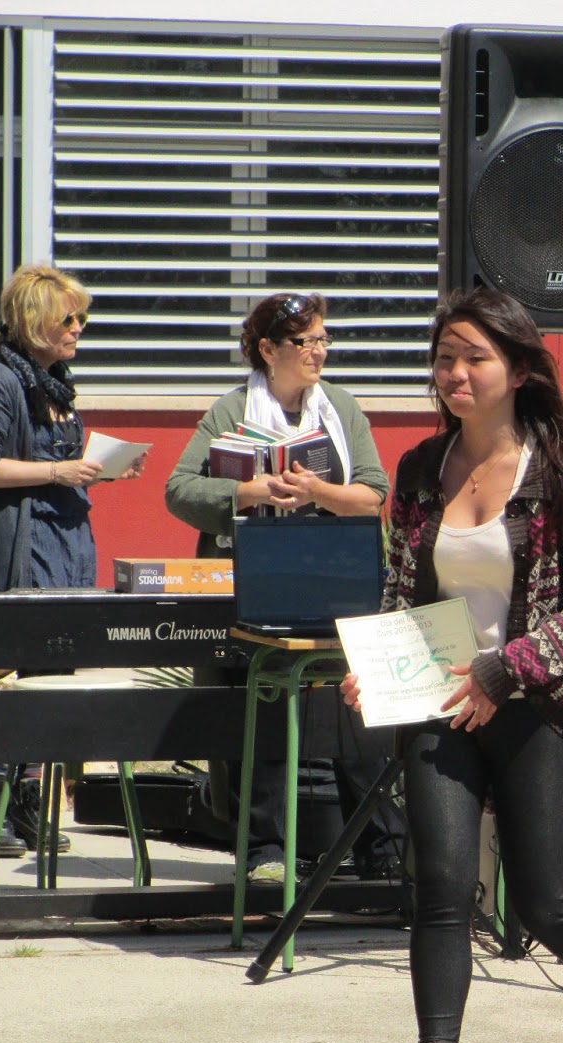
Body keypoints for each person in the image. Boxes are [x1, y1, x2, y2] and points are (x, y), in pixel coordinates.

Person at [340, 287, 563, 1043]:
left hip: (536, 705)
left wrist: (502, 671)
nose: (455, 373)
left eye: (474, 357)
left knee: (544, 905)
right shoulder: (419, 469)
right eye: (445, 357)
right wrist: (377, 664)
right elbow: (401, 589)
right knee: (440, 886)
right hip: (439, 703)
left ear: (518, 371)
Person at [165, 292, 398, 884]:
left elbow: (373, 492)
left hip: (334, 580)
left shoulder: (340, 407)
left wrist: (318, 492)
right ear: (268, 350)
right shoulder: (232, 410)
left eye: (323, 339)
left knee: (357, 706)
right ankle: (265, 850)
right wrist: (250, 492)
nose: (318, 351)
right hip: (260, 583)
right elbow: (178, 490)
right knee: (261, 703)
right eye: (304, 341)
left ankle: (381, 849)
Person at [0, 263, 144, 855]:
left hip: (68, 539)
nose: (78, 328)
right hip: (27, 543)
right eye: (69, 318)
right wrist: (61, 470)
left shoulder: (56, 382)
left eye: (81, 318)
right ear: (35, 322)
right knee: (29, 675)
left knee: (56, 673)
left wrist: (102, 471)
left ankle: (29, 799)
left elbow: (57, 468)